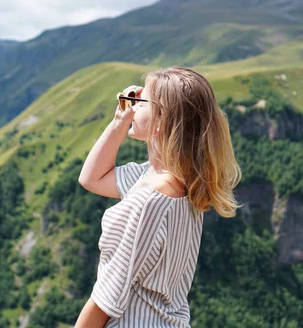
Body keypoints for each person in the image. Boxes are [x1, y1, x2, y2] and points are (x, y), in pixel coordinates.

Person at [75, 67, 242, 328]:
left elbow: (106, 299)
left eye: (142, 101)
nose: (133, 103)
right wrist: (121, 119)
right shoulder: (177, 181)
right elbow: (91, 178)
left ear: (162, 121)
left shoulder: (148, 201)